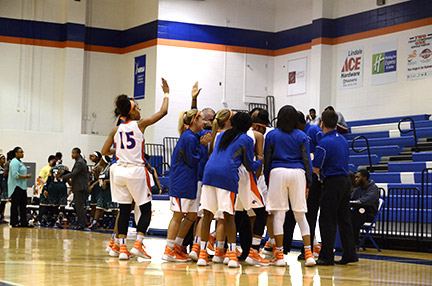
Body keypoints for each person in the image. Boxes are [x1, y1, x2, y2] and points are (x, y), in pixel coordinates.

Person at [101, 78, 169, 260]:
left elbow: (105, 151)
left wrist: (122, 150)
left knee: (123, 211)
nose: (140, 110)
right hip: (135, 171)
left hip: (119, 171)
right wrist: (166, 93)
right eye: (138, 108)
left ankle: (122, 248)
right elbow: (163, 112)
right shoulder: (140, 124)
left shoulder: (116, 130)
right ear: (132, 111)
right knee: (145, 209)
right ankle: (138, 245)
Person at [198, 112, 262, 268]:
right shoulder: (247, 139)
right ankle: (232, 255)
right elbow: (248, 165)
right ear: (248, 126)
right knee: (229, 216)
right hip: (226, 175)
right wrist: (259, 161)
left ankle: (201, 254)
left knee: (207, 215)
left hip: (209, 174)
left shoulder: (220, 135)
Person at [264, 105, 315, 267]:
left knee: (279, 215)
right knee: (300, 215)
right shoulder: (301, 135)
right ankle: (309, 254)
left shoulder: (271, 135)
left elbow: (268, 158)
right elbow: (307, 160)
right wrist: (309, 181)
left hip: (277, 172)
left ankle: (279, 256)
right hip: (298, 173)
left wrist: (267, 179)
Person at [162, 108, 212, 262]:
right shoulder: (189, 137)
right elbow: (192, 160)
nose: (205, 122)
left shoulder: (191, 136)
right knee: (178, 215)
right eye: (202, 119)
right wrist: (203, 146)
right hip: (182, 181)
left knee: (191, 215)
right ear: (194, 121)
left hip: (189, 181)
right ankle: (168, 250)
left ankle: (177, 245)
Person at [313, 109, 358, 265]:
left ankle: (326, 256)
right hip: (346, 181)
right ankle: (350, 253)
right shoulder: (342, 140)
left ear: (322, 123)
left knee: (327, 218)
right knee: (344, 218)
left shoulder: (323, 143)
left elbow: (316, 168)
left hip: (333, 182)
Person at [296, 111, 323, 259]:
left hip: (314, 176)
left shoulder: (313, 130)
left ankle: (310, 248)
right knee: (306, 213)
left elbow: (323, 147)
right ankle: (312, 245)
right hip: (305, 177)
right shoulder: (299, 134)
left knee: (310, 213)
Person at [61, 147, 89, 230]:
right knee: (79, 206)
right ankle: (84, 223)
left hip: (79, 187)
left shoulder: (79, 162)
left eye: (73, 153)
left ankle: (81, 224)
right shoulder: (79, 162)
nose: (72, 155)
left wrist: (63, 177)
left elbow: (74, 173)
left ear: (78, 154)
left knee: (79, 206)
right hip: (79, 186)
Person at [350, 169, 380, 247]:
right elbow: (351, 198)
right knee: (345, 216)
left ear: (364, 178)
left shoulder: (373, 188)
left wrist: (355, 202)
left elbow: (366, 200)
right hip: (358, 212)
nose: (355, 179)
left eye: (357, 177)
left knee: (353, 218)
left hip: (369, 214)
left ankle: (354, 242)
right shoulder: (357, 189)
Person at [8, 147, 32, 227]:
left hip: (22, 187)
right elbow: (15, 175)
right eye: (20, 152)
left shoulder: (20, 162)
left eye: (22, 152)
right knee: (15, 205)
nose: (22, 154)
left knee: (23, 205)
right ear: (16, 153)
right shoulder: (14, 162)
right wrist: (26, 176)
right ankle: (14, 222)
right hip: (16, 187)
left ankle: (23, 222)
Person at [0, 154, 8, 224]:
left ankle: (2, 217)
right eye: (2, 158)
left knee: (4, 202)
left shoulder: (4, 168)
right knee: (1, 203)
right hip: (0, 188)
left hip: (4, 187)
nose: (4, 160)